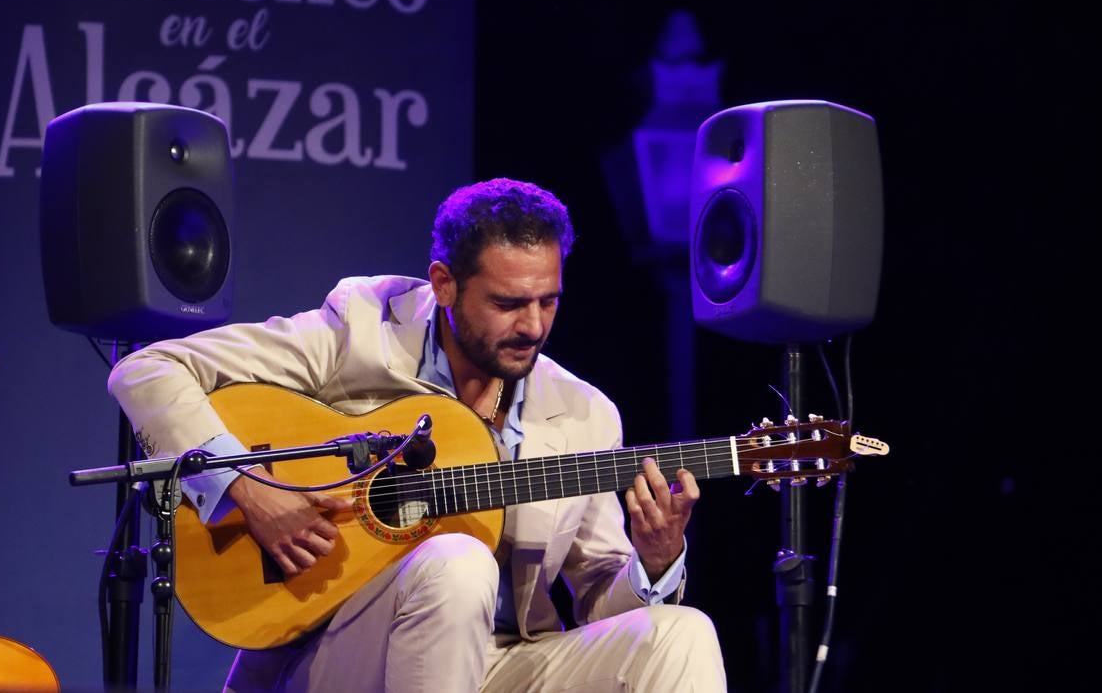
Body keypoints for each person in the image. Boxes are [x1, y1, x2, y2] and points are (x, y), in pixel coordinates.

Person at [109, 178, 726, 692]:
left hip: (506, 661)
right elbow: (148, 370)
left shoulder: (585, 412)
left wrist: (653, 560)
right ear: (444, 283)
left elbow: (600, 604)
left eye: (549, 302)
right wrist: (247, 485)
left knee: (683, 632)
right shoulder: (361, 328)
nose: (534, 326)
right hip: (335, 652)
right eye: (510, 303)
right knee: (458, 563)